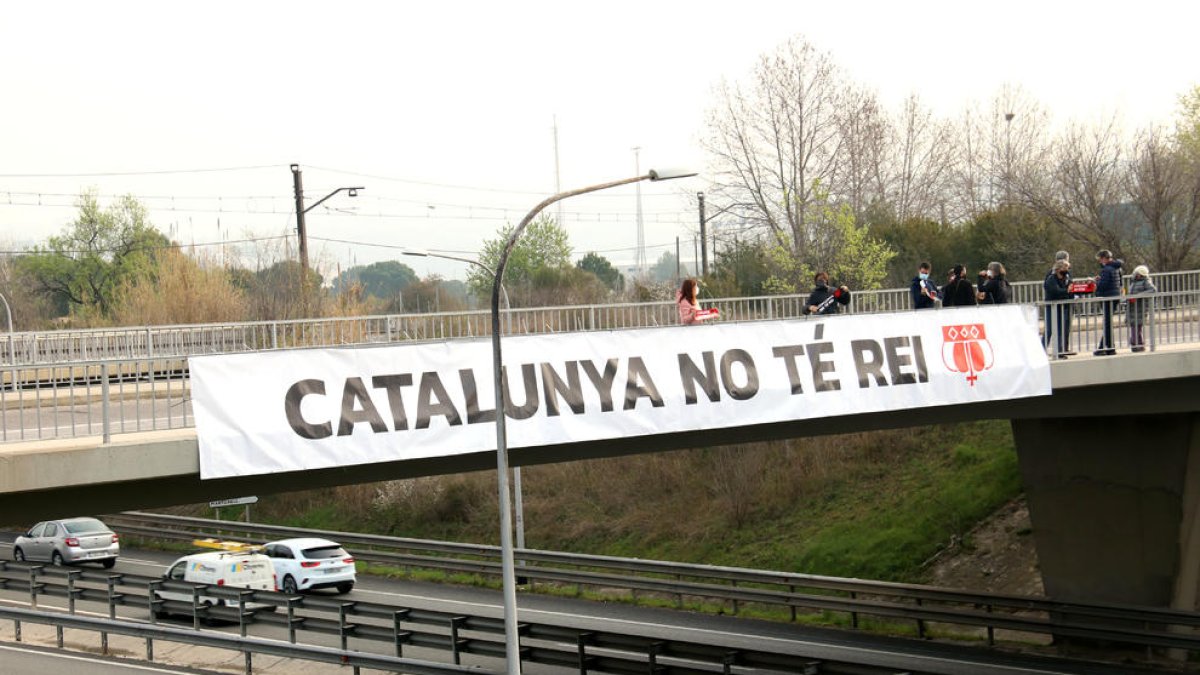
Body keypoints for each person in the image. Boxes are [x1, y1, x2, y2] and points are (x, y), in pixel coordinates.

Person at [1093, 249, 1123, 356]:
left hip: (1107, 298)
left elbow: (1103, 285)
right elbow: (1118, 283)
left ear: (1104, 258)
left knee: (1107, 324)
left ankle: (1103, 348)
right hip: (1115, 297)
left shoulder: (1106, 269)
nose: (1100, 261)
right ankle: (1110, 348)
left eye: (1100, 259)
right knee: (1108, 323)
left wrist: (1096, 282)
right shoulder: (1117, 268)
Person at [1043, 259, 1074, 357]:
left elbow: (1070, 287)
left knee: (1061, 329)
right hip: (1052, 306)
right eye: (1065, 267)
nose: (1067, 270)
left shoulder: (1067, 277)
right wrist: (1067, 290)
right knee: (1049, 329)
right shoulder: (1051, 278)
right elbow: (1055, 291)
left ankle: (1060, 351)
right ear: (1058, 268)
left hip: (1062, 306)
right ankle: (1041, 350)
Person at [1127, 264, 1157, 352]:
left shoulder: (1146, 281)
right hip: (1132, 308)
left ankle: (1136, 344)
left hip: (1140, 308)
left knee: (1136, 327)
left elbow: (1153, 290)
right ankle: (1138, 345)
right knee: (1134, 326)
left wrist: (1138, 296)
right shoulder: (1133, 282)